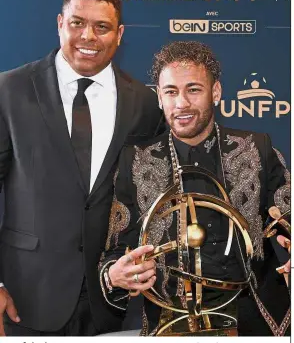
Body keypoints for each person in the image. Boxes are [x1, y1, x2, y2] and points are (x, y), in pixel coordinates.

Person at [0, 0, 164, 336]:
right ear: (60, 24)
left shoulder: (146, 103)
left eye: (101, 27)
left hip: (114, 301)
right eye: (77, 23)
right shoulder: (9, 90)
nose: (88, 36)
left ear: (119, 35)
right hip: (25, 295)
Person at [99, 41, 290, 336]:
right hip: (168, 321)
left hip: (251, 319)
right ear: (159, 97)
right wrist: (114, 275)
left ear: (215, 92)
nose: (181, 103)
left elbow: (287, 221)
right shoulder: (136, 160)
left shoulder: (256, 149)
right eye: (171, 92)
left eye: (194, 89)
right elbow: (114, 250)